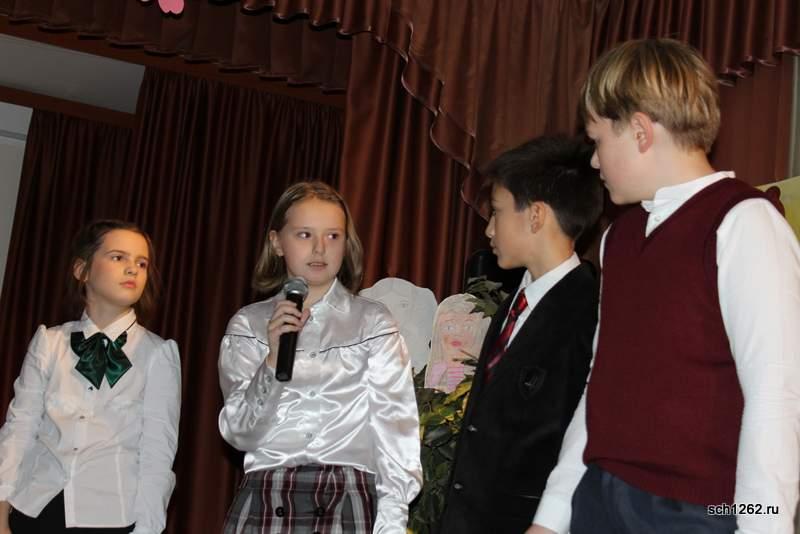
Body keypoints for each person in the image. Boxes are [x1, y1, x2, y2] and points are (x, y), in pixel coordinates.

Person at [529, 38, 800, 534]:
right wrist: (552, 514)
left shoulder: (743, 222)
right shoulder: (618, 238)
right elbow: (600, 385)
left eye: (597, 141)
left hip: (697, 513)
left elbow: (775, 393)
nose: (594, 162)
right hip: (599, 500)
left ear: (639, 132)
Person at [218, 181, 422, 534]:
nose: (319, 248)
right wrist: (272, 361)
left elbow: (395, 431)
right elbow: (241, 434)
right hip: (268, 494)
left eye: (333, 236)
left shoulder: (373, 321)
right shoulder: (248, 324)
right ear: (276, 242)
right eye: (304, 234)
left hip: (346, 498)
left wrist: (390, 524)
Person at [437, 135, 603, 533]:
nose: (489, 229)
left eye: (496, 212)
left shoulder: (589, 312)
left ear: (536, 216)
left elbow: (578, 437)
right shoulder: (516, 301)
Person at [0, 220, 182, 534]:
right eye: (118, 257)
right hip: (35, 509)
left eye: (142, 263)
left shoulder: (157, 353)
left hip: (111, 516)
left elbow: (158, 452)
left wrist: (147, 529)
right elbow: (20, 427)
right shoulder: (50, 342)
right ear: (82, 270)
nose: (132, 269)